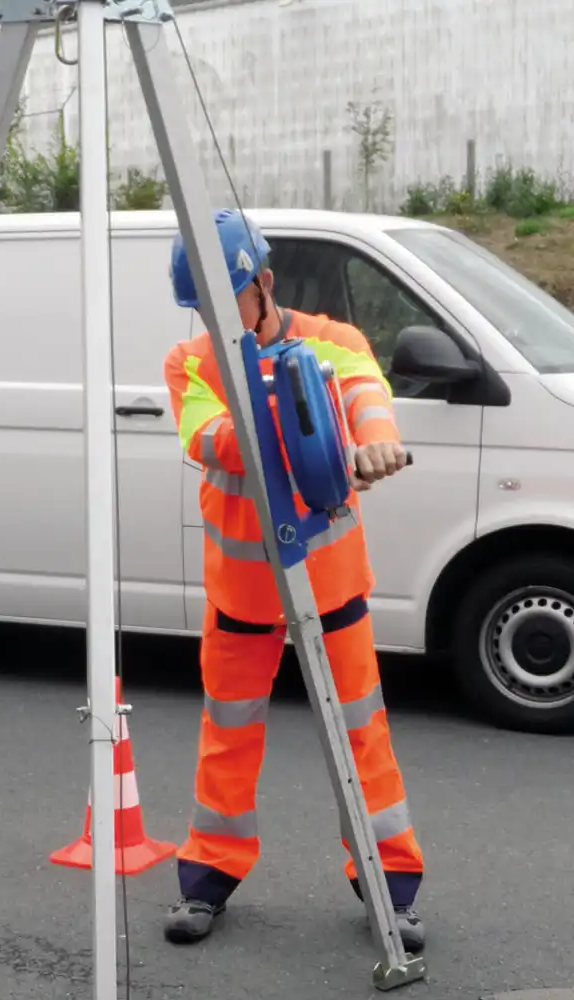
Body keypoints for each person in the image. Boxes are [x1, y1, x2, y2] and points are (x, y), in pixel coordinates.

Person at [161, 209, 426, 951]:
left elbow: (367, 395)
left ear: (263, 284)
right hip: (243, 593)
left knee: (361, 733)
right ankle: (207, 879)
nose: (216, 320)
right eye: (203, 308)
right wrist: (299, 414)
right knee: (228, 736)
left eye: (229, 301)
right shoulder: (190, 363)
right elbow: (210, 439)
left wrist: (373, 441)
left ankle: (392, 889)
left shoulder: (334, 342)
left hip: (329, 582)